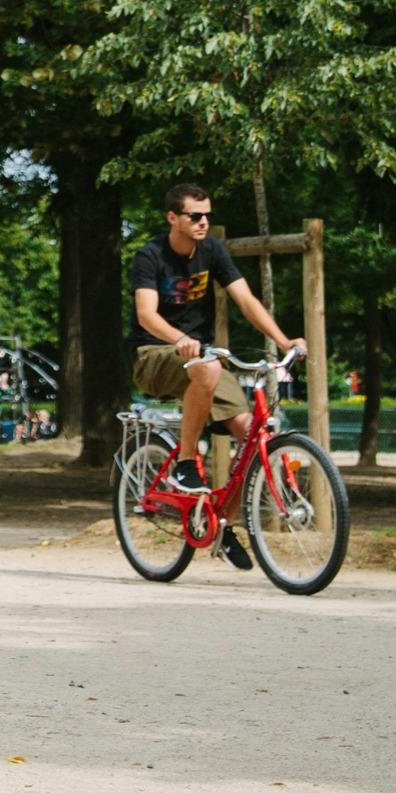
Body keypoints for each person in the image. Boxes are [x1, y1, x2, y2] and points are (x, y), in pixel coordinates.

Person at [131, 183, 299, 570]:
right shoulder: (150, 256)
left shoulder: (212, 251)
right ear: (173, 218)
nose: (204, 222)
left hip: (201, 357)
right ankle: (186, 464)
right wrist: (181, 340)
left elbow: (246, 300)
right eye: (195, 215)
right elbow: (146, 315)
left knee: (252, 435)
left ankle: (221, 524)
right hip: (155, 353)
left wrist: (283, 339)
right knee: (206, 367)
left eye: (207, 215)